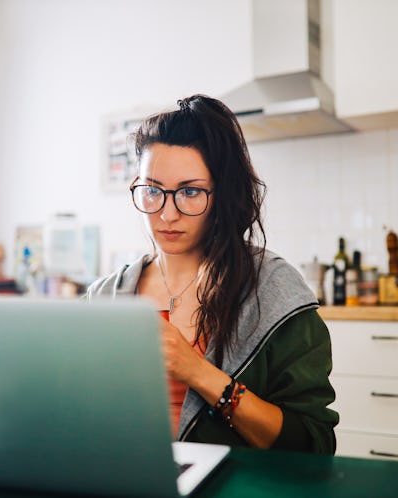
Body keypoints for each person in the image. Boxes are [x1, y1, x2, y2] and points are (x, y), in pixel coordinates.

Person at [86, 94, 338, 453]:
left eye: (190, 192)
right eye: (152, 190)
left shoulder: (273, 289)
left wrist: (198, 372)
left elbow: (313, 443)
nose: (167, 213)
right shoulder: (105, 296)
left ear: (223, 195)